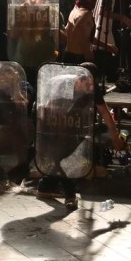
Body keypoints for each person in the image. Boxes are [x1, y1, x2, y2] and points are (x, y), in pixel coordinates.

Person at [36, 63, 123, 210]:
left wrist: (115, 138)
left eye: (92, 84)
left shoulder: (91, 88)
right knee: (61, 156)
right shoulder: (62, 86)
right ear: (78, 80)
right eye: (87, 84)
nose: (90, 88)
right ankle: (68, 194)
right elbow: (47, 108)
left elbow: (105, 113)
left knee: (61, 156)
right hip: (49, 117)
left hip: (71, 122)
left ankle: (46, 185)